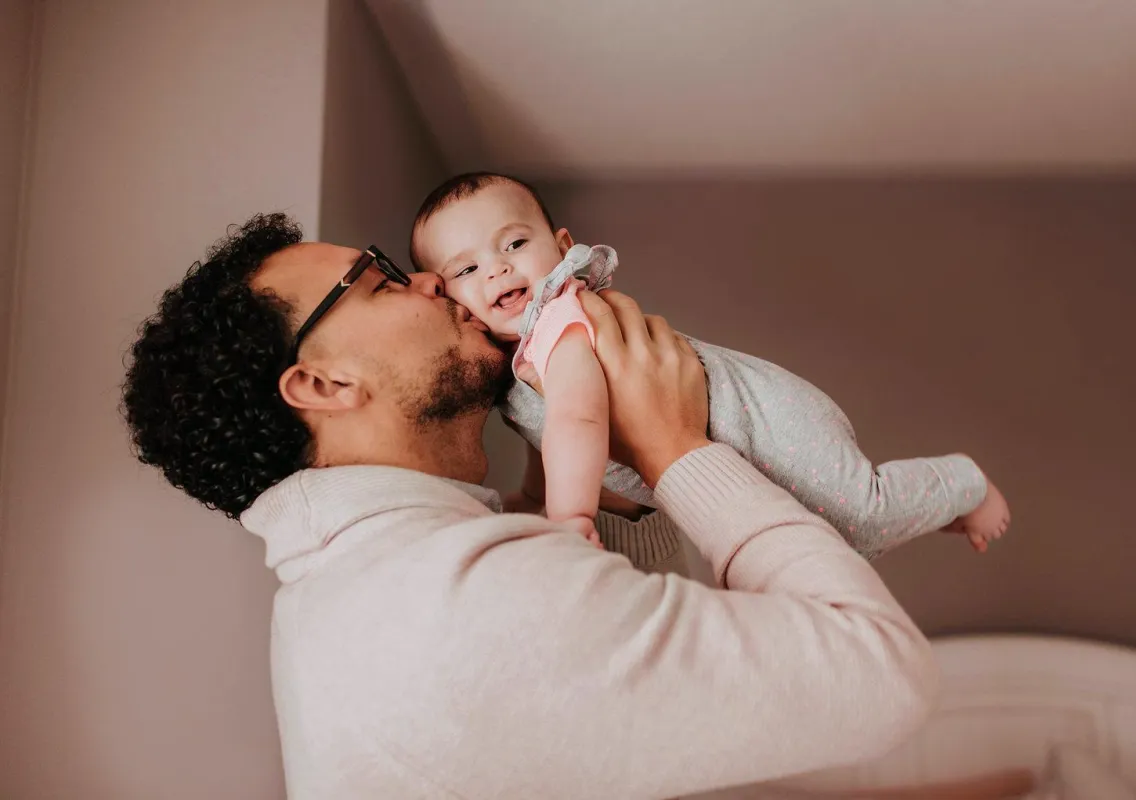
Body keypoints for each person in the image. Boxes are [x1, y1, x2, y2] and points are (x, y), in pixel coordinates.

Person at [122, 213, 938, 799]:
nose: (432, 279)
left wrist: (602, 480)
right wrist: (678, 453)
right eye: (379, 280)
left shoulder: (370, 582)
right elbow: (883, 678)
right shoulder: (449, 605)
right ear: (325, 383)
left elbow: (618, 669)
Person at [409, 173, 1011, 558]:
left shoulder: (559, 321)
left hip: (762, 419)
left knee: (859, 521)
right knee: (813, 535)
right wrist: (536, 493)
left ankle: (964, 482)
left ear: (563, 248)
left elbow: (577, 420)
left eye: (515, 243)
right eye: (467, 269)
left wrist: (570, 516)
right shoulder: (511, 361)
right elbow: (548, 432)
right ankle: (935, 505)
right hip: (724, 437)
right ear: (444, 290)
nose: (498, 269)